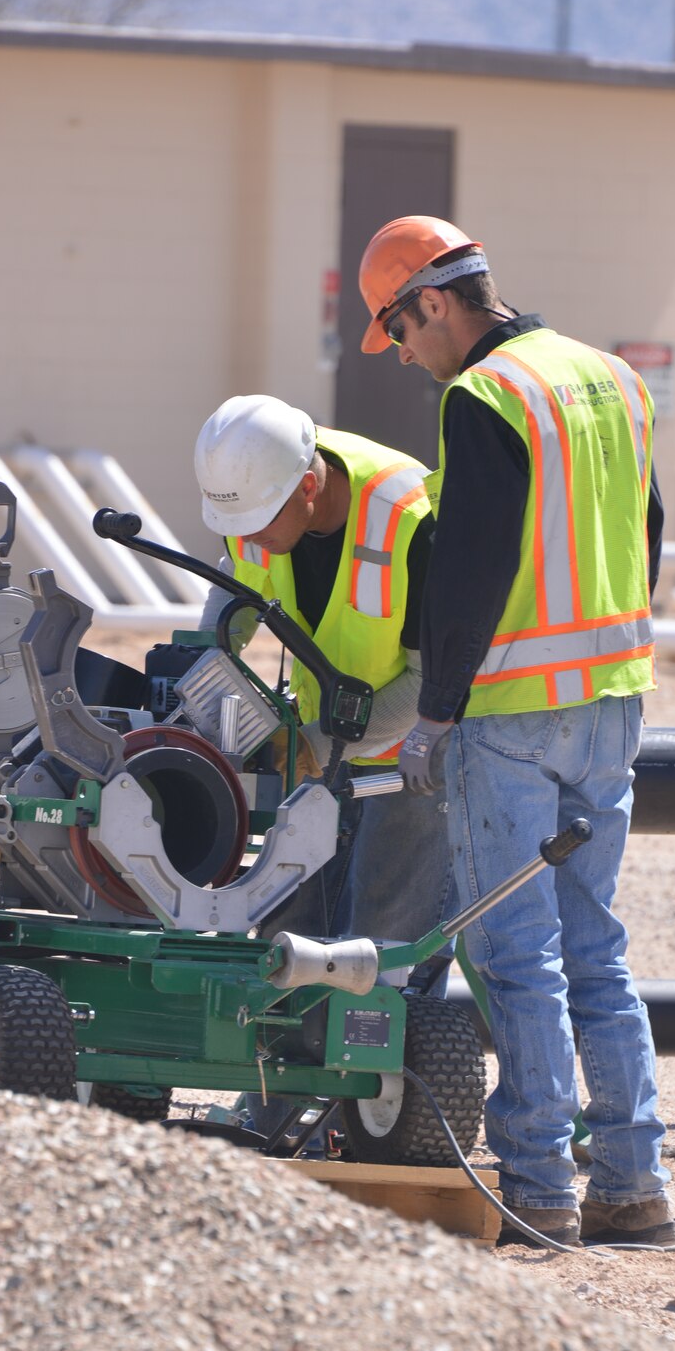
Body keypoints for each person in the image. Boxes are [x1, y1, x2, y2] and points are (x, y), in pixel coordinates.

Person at [358, 215, 672, 1250]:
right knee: (596, 946)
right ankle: (631, 1184)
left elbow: (472, 564)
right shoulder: (607, 376)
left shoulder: (483, 395)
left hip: (512, 708)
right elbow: (649, 526)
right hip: (612, 697)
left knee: (514, 950)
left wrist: (436, 709)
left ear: (433, 304)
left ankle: (538, 1187)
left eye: (398, 331)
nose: (403, 353)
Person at [193, 392, 453, 961]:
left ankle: (405, 1049)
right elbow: (224, 618)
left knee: (385, 940)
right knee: (287, 927)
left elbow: (433, 688)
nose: (247, 536)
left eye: (256, 524)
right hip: (325, 743)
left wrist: (313, 743)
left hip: (412, 756)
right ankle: (290, 1046)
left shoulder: (410, 521)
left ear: (309, 488)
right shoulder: (260, 491)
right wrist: (197, 693)